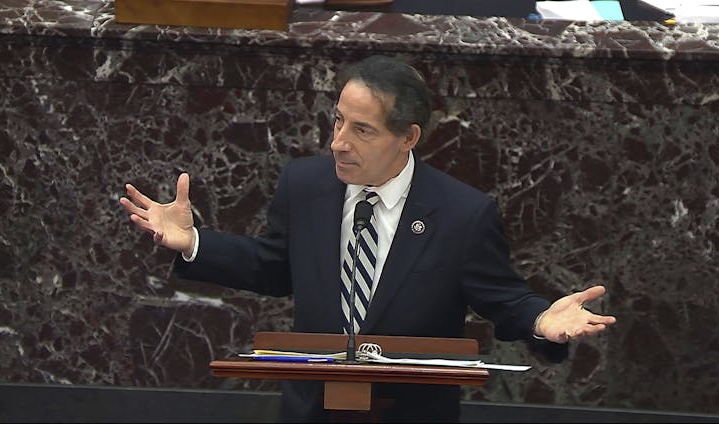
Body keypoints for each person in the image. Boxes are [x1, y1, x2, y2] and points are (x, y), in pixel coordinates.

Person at [119, 55, 616, 422]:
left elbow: (504, 299)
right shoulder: (305, 185)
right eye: (337, 120)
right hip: (312, 411)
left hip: (410, 414)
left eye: (362, 130)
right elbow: (274, 266)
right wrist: (193, 243)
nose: (338, 141)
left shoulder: (463, 214)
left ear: (408, 138)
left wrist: (542, 318)